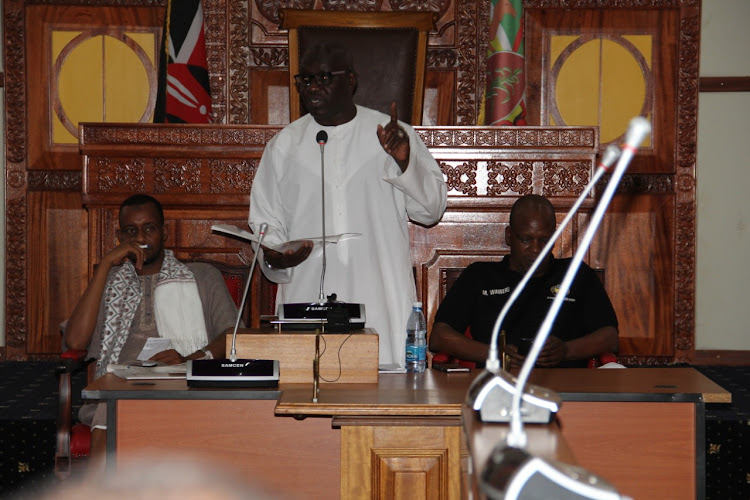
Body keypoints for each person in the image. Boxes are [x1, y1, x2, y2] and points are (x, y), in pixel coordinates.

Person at [248, 42, 447, 366]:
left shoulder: (393, 135)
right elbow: (265, 224)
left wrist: (404, 161)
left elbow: (432, 209)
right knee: (307, 394)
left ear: (350, 81)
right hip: (307, 296)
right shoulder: (284, 146)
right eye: (305, 79)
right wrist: (274, 257)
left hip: (380, 296)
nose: (313, 87)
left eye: (325, 78)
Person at [64, 194, 240, 465]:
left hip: (184, 380)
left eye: (149, 228)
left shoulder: (203, 276)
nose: (141, 237)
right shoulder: (109, 282)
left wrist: (192, 359)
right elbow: (75, 341)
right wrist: (105, 268)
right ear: (119, 236)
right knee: (111, 406)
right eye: (130, 231)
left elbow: (233, 333)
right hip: (120, 386)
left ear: (164, 232)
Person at [429, 194, 618, 368]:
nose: (536, 249)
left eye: (544, 240)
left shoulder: (575, 274)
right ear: (509, 236)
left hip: (564, 387)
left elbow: (610, 337)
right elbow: (439, 336)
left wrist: (567, 351)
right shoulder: (480, 276)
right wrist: (494, 355)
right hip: (497, 384)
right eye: (526, 239)